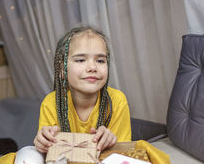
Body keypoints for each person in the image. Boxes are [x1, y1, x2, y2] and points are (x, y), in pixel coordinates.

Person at [34, 26, 131, 154]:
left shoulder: (117, 101)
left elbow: (124, 154)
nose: (92, 67)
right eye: (80, 60)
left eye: (100, 60)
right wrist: (42, 143)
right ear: (62, 70)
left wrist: (112, 142)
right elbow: (49, 153)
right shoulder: (51, 103)